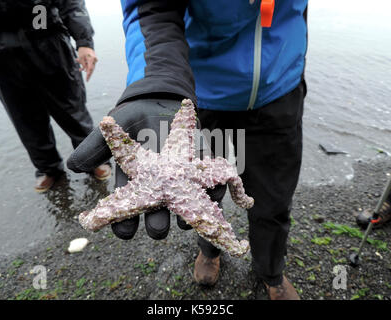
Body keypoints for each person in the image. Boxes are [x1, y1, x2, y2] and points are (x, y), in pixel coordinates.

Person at [68, 0, 308, 300]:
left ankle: (271, 272)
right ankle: (209, 251)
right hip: (201, 94)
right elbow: (151, 6)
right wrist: (159, 83)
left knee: (274, 199)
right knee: (208, 199)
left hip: (279, 87)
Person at [0, 0, 111, 193]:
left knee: (72, 109)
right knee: (24, 117)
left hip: (48, 39)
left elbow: (71, 3)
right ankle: (48, 168)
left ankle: (93, 158)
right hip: (0, 50)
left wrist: (84, 42)